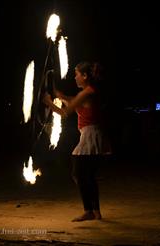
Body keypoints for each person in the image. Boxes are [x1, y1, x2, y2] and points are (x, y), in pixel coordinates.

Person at [43, 61, 112, 222]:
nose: (75, 78)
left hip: (90, 136)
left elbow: (66, 112)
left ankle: (89, 210)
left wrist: (48, 103)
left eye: (77, 74)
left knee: (78, 174)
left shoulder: (86, 93)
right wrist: (59, 94)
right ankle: (95, 212)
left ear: (85, 76)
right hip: (94, 134)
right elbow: (72, 100)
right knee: (88, 176)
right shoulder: (90, 91)